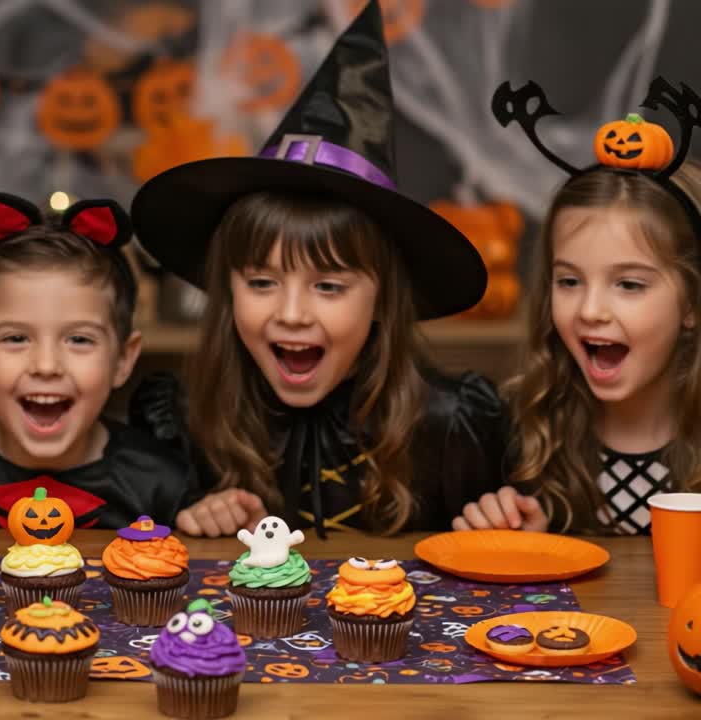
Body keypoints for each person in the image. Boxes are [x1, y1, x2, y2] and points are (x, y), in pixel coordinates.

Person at [130, 0, 507, 538]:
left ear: (381, 299)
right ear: (226, 288)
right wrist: (194, 524)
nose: (291, 314)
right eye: (261, 282)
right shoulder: (183, 420)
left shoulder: (452, 425)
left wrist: (507, 525)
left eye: (328, 286)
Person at [455, 78, 701, 534]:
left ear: (691, 302)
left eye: (628, 284)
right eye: (569, 281)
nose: (590, 309)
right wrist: (513, 531)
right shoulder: (517, 430)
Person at [0, 192, 194, 529]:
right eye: (16, 338)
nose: (45, 365)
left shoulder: (163, 483)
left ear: (122, 360)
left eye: (79, 339)